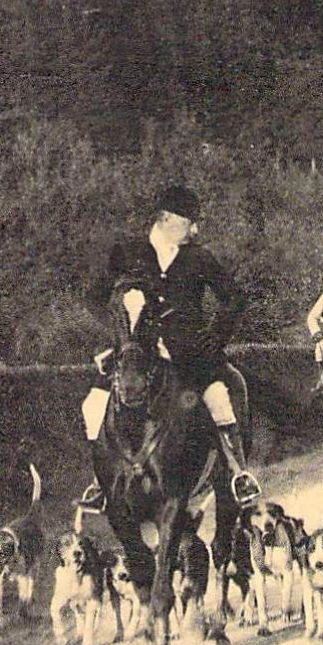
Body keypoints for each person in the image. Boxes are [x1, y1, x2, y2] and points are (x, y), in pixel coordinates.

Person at [77, 185, 261, 510]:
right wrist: (115, 338)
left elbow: (234, 298)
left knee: (218, 398)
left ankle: (238, 474)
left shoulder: (200, 257)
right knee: (93, 404)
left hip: (190, 355)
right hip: (134, 355)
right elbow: (94, 297)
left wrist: (214, 336)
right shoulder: (128, 252)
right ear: (166, 219)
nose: (196, 229)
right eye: (190, 221)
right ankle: (100, 483)